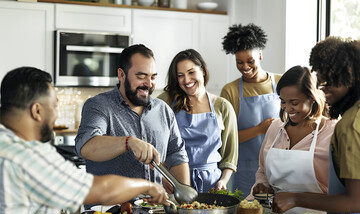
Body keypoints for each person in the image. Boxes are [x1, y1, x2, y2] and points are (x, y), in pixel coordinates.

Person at [0, 67, 168, 214]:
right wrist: (148, 186)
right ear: (37, 111)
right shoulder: (28, 156)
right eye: (55, 106)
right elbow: (102, 190)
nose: (56, 115)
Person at [272, 37, 360, 214]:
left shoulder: (350, 125)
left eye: (330, 80)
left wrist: (296, 198)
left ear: (350, 77)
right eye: (321, 81)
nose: (323, 88)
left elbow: (356, 201)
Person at [75, 44, 191, 194]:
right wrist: (129, 142)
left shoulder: (163, 110)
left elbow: (176, 153)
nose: (149, 84)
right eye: (141, 76)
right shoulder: (98, 105)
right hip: (110, 211)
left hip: (154, 209)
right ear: (121, 75)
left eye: (153, 77)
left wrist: (182, 194)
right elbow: (86, 146)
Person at [251, 65, 337, 214]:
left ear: (312, 98)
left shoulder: (332, 132)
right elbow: (262, 170)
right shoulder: (275, 127)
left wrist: (295, 199)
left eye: (294, 102)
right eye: (283, 101)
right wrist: (262, 184)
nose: (287, 108)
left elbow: (341, 193)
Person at [157, 49, 238, 193]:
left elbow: (229, 157)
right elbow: (152, 143)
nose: (186, 80)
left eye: (191, 72)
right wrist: (163, 177)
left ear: (203, 71)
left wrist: (223, 181)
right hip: (175, 183)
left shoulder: (223, 106)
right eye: (180, 76)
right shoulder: (166, 101)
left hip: (212, 185)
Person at [220, 23, 282, 196]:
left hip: (277, 167)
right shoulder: (230, 90)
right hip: (244, 170)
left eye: (250, 61)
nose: (245, 67)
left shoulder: (282, 82)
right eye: (239, 62)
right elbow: (227, 140)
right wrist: (259, 129)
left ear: (260, 55)